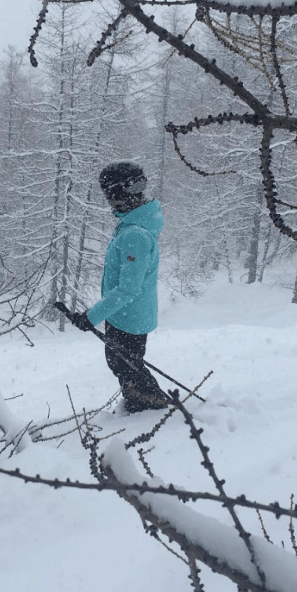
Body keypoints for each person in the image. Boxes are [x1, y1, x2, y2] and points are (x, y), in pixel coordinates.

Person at [69, 161, 170, 413]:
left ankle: (148, 409)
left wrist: (91, 317)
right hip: (126, 313)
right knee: (124, 364)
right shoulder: (133, 222)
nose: (109, 202)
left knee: (126, 366)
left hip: (129, 316)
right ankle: (142, 404)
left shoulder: (135, 233)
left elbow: (128, 290)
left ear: (120, 193)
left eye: (109, 194)